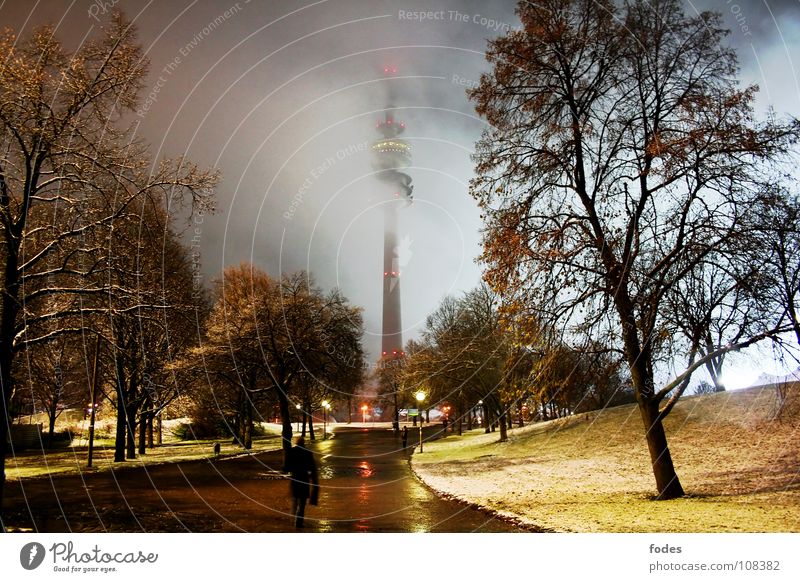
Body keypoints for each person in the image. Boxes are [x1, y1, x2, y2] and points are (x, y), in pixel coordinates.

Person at [287, 436, 318, 528]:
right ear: (303, 443)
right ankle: (298, 522)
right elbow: (312, 468)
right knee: (302, 502)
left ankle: (294, 516)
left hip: (295, 479)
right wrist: (314, 482)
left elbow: (286, 467)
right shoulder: (308, 453)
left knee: (295, 498)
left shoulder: (291, 451)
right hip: (304, 479)